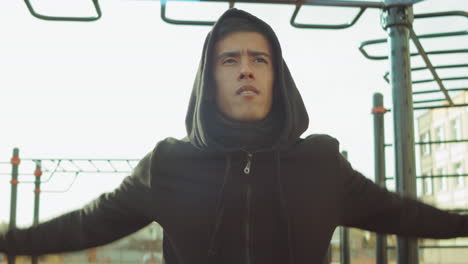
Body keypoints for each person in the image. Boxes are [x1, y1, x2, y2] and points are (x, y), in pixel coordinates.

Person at [1, 8, 467, 264]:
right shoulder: (167, 164)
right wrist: (10, 242)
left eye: (259, 58)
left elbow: (402, 213)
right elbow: (88, 223)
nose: (246, 68)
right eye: (230, 60)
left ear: (277, 76)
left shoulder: (322, 164)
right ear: (210, 79)